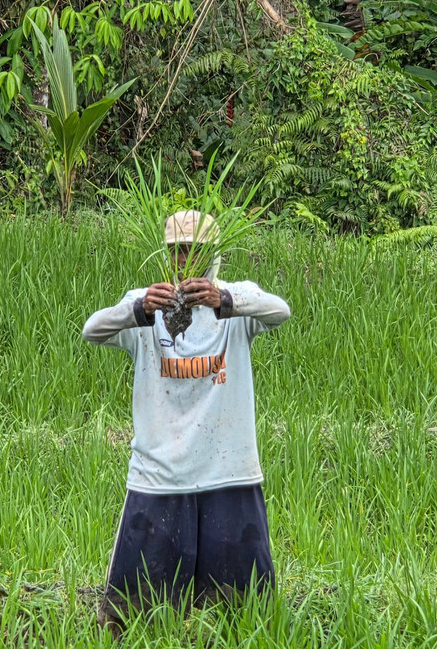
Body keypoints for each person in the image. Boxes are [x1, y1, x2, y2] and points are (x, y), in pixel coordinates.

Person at [81, 210, 291, 638]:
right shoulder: (146, 304)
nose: (185, 261)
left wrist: (225, 302)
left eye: (196, 251)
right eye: (177, 251)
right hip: (159, 477)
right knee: (134, 616)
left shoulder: (236, 302)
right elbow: (91, 330)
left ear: (214, 255)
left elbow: (280, 312)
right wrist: (138, 310)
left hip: (229, 472)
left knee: (243, 612)